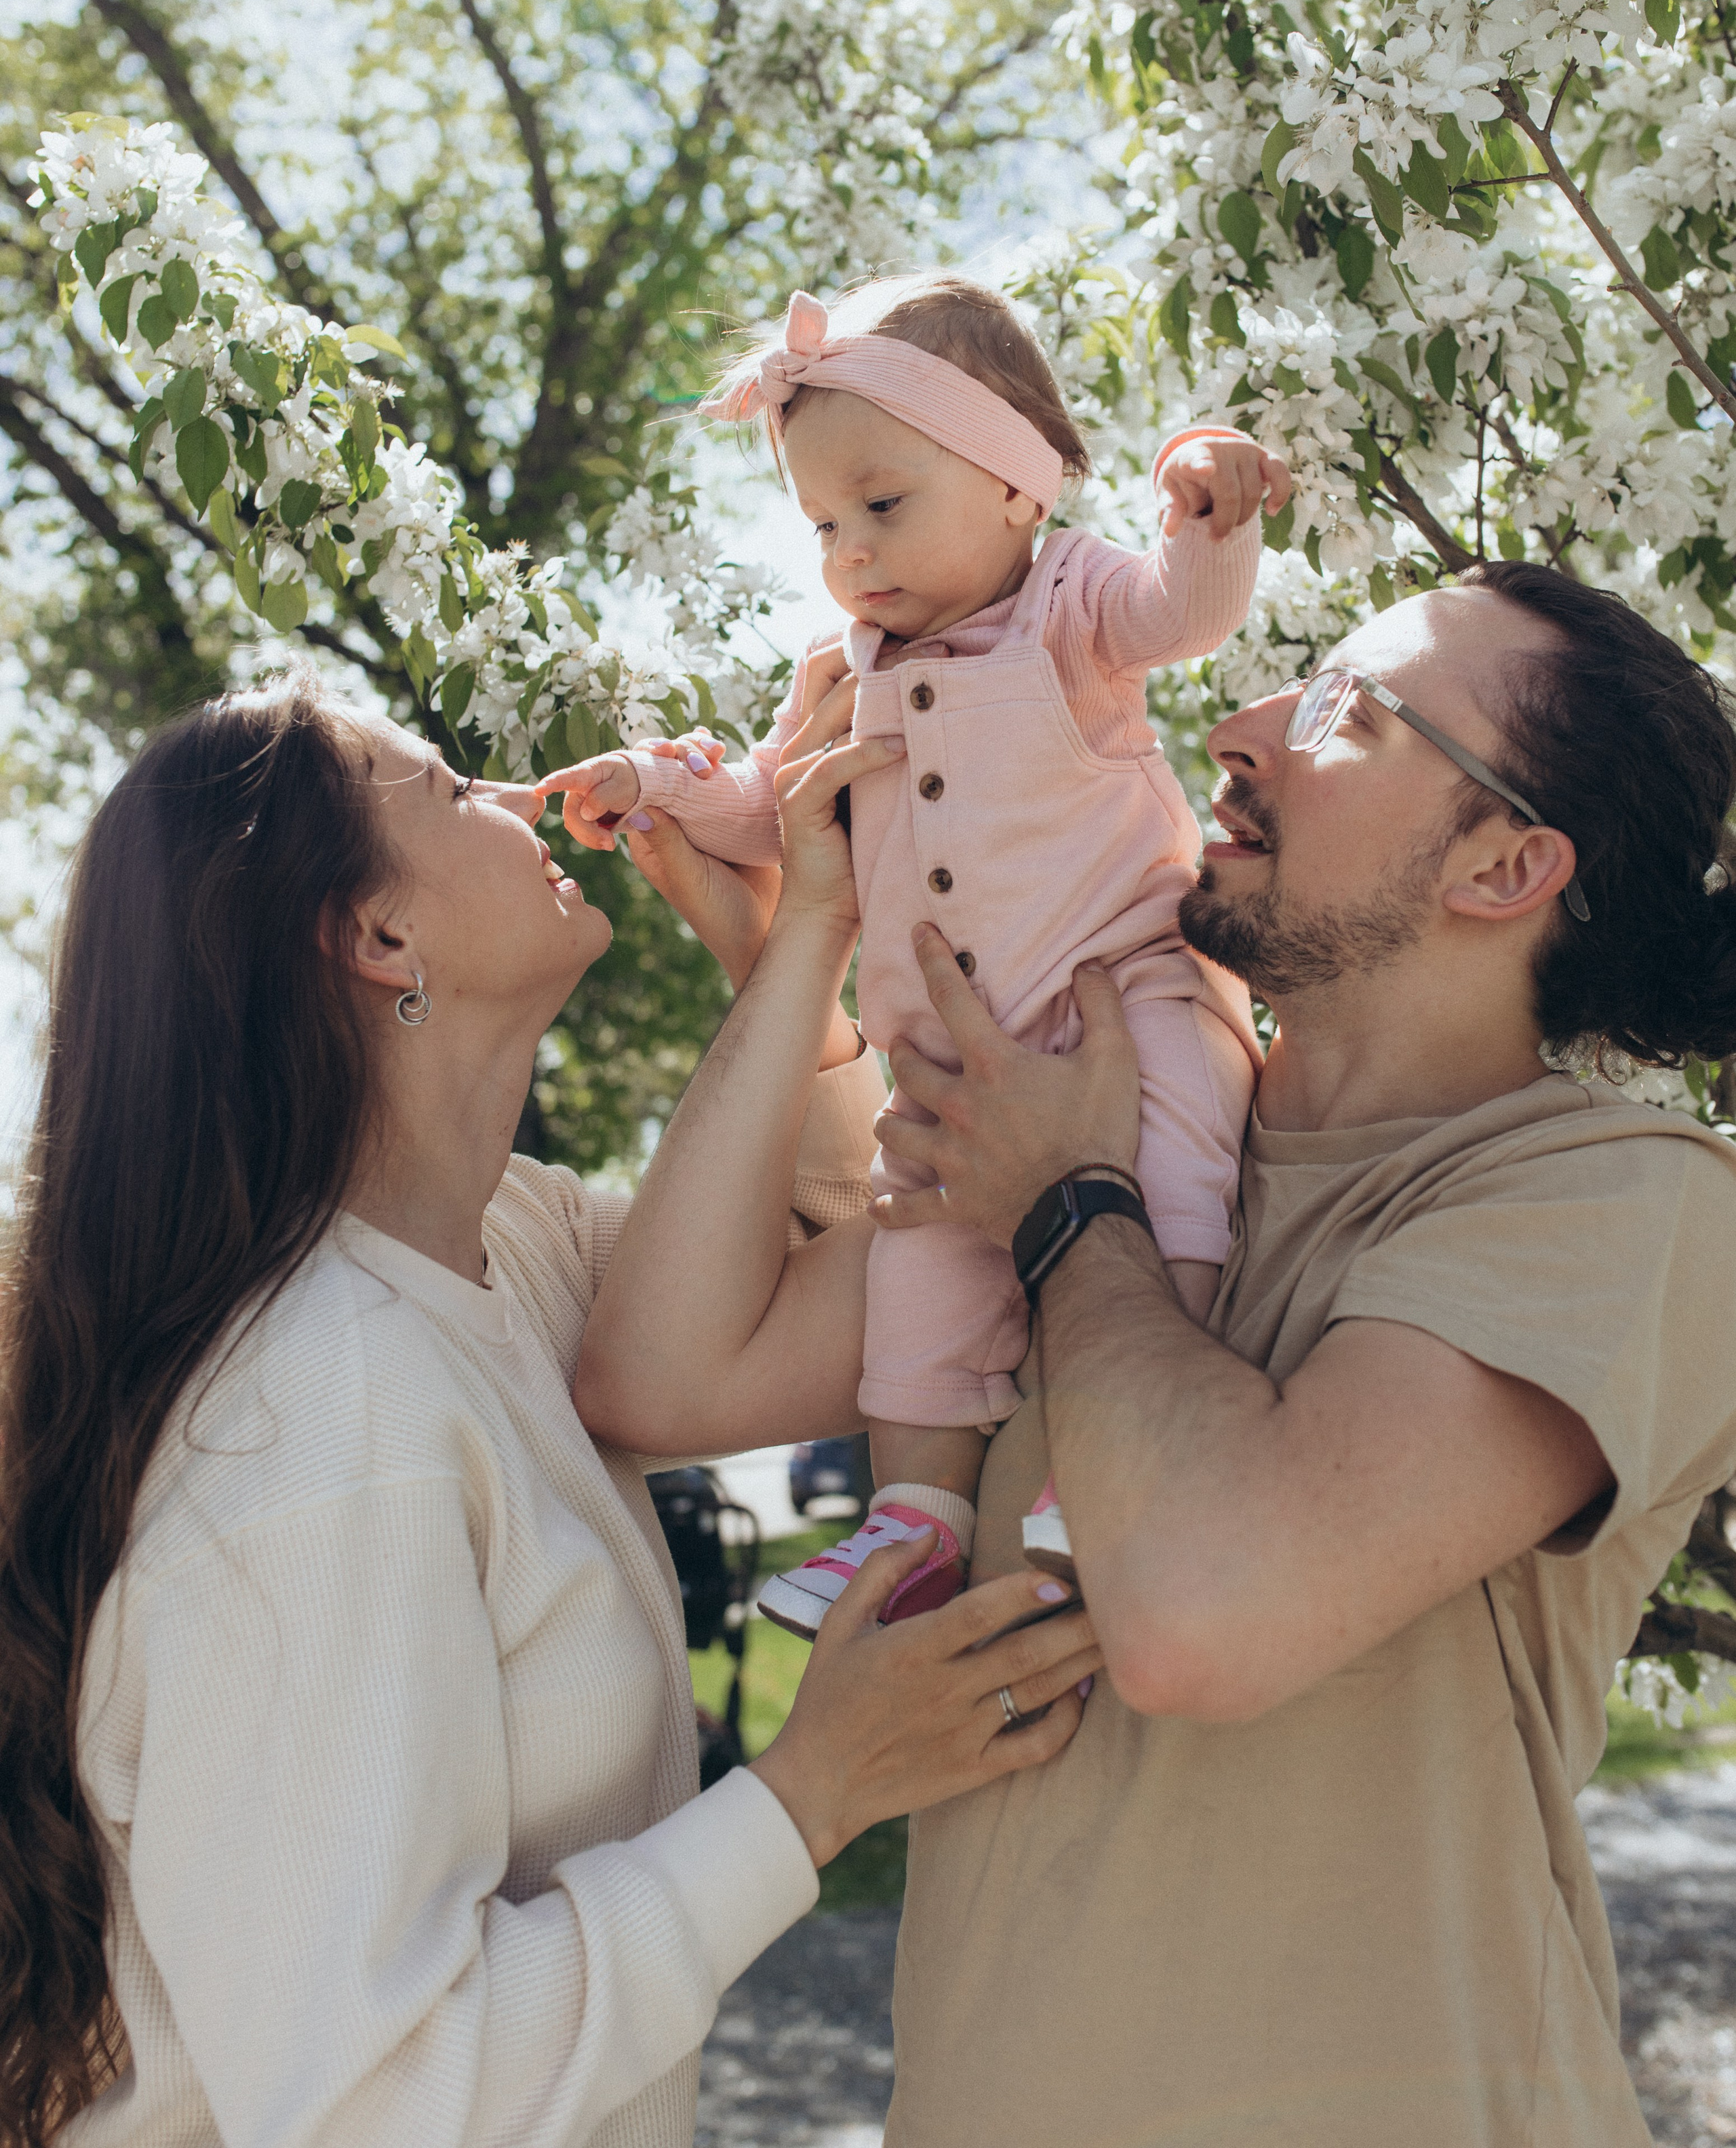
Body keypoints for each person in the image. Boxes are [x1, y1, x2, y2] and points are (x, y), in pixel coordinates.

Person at [0, 665, 1102, 2148]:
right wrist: (811, 1793)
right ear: (379, 936)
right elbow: (378, 2103)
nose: (520, 798)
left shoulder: (504, 1252)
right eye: (455, 790)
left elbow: (877, 1278)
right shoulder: (322, 1409)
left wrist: (793, 944)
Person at [860, 562, 1736, 2145]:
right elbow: (660, 1385)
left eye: (1346, 709)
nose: (1239, 728)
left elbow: (1204, 1618)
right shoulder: (1107, 1133)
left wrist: (1068, 1208)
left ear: (1504, 864)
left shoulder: (1631, 1200)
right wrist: (797, 942)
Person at [544, 275, 1292, 1639]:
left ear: (1015, 485)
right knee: (920, 1272)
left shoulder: (1070, 599)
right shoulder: (850, 664)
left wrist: (1208, 512)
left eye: (882, 505)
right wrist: (655, 785)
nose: (850, 554)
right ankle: (914, 1516)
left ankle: (1123, 1435)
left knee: (1181, 1169)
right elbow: (777, 805)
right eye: (824, 526)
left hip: (1125, 987)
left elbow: (1179, 616)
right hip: (947, 1056)